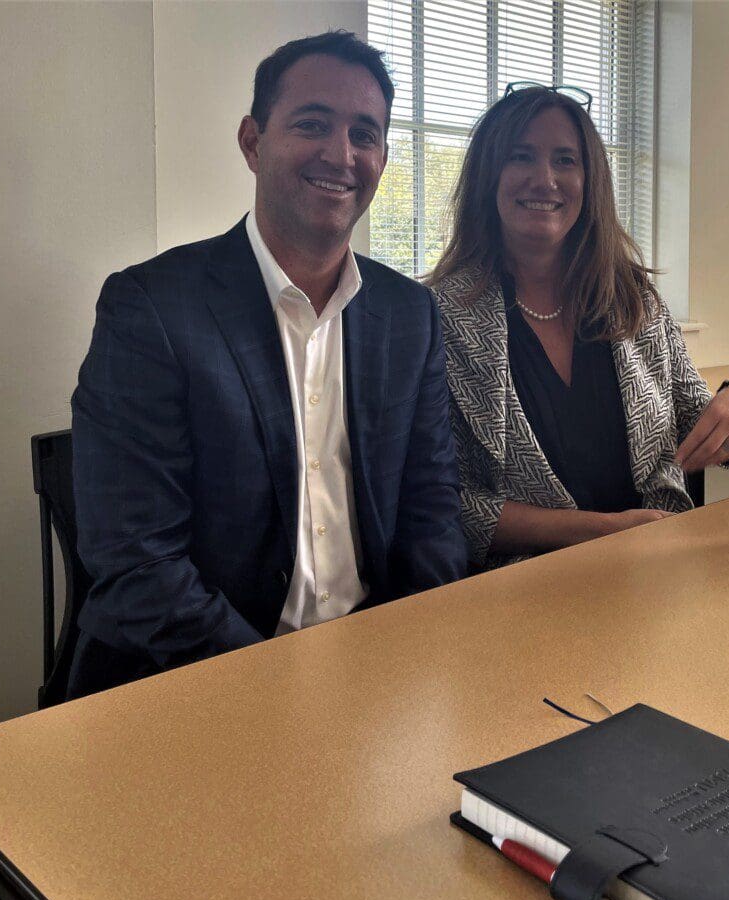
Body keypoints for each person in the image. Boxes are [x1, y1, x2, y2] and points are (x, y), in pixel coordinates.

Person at [66, 32, 466, 700]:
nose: (341, 154)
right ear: (253, 142)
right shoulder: (153, 310)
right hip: (187, 689)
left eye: (364, 135)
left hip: (372, 679)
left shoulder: (408, 314)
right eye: (313, 124)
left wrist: (398, 656)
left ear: (383, 158)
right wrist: (289, 687)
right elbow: (138, 564)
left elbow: (433, 515)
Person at [428, 84, 729, 571]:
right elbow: (447, 503)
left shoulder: (632, 300)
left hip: (658, 579)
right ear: (488, 175)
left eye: (566, 160)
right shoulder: (439, 317)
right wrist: (602, 532)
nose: (545, 179)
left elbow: (696, 417)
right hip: (518, 593)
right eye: (521, 157)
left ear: (591, 181)